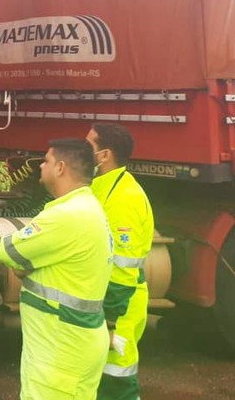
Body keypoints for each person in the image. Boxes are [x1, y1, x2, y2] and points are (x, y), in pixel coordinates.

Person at [0, 138, 113, 400]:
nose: (40, 167)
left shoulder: (65, 216)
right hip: (75, 342)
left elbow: (6, 250)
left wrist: (24, 266)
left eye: (46, 161)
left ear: (60, 167)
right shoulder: (89, 208)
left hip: (60, 350)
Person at [87, 124, 154, 400]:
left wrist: (111, 319)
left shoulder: (124, 197)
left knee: (117, 381)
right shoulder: (102, 187)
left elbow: (123, 267)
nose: (82, 149)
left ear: (104, 155)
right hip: (106, 303)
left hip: (120, 306)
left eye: (87, 145)